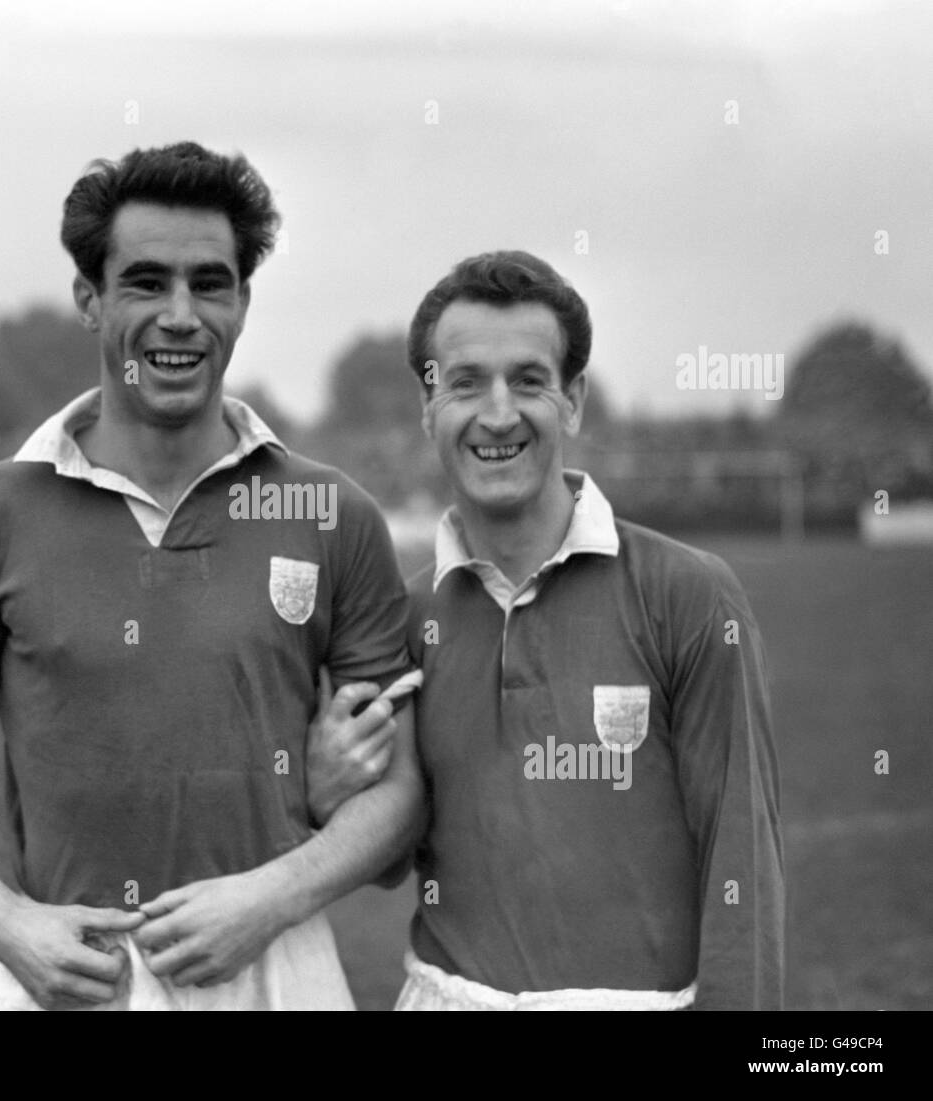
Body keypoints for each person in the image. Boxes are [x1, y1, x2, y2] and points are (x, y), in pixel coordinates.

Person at [0, 141, 423, 1011]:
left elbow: (401, 789)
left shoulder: (334, 513)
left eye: (210, 283)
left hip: (279, 964)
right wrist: (0, 917)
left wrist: (276, 893)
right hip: (67, 973)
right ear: (89, 299)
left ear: (242, 301)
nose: (180, 315)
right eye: (146, 282)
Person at [312, 250, 784, 1010]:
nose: (498, 414)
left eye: (528, 380)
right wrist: (329, 791)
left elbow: (744, 866)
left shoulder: (691, 596)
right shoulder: (406, 615)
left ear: (573, 399)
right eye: (465, 382)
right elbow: (390, 855)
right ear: (428, 406)